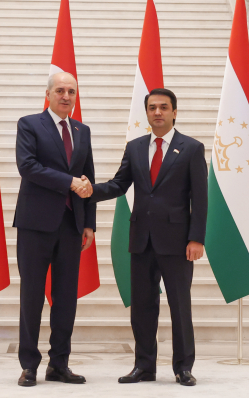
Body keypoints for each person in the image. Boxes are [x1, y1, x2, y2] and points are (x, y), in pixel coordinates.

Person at [75, 88, 207, 386]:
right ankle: (144, 366)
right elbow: (119, 184)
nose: (157, 112)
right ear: (146, 112)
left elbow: (200, 198)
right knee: (142, 308)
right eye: (152, 107)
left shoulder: (191, 148)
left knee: (180, 307)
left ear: (174, 112)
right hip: (141, 240)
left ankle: (183, 367)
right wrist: (90, 190)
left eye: (163, 107)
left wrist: (196, 238)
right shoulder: (135, 147)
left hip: (177, 242)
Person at [13, 72, 96, 387]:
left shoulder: (82, 131)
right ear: (47, 94)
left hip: (71, 225)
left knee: (66, 298)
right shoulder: (29, 124)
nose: (66, 96)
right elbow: (28, 166)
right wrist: (69, 182)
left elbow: (88, 178)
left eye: (71, 91)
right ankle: (29, 365)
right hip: (35, 224)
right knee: (32, 295)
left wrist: (89, 223)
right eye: (60, 90)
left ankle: (59, 364)